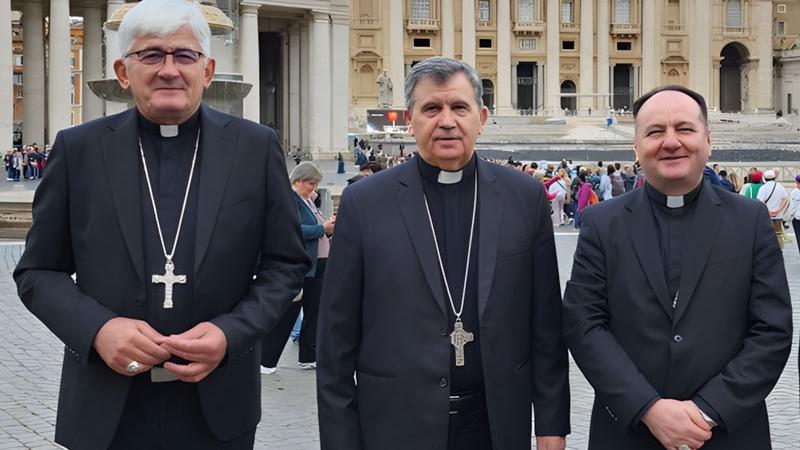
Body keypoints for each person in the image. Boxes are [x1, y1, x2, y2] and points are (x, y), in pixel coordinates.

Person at [13, 1, 310, 448]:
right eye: (151, 55)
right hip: (105, 407)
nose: (168, 69)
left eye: (184, 55)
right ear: (122, 70)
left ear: (208, 71)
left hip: (219, 406)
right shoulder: (79, 150)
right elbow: (37, 272)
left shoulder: (254, 148)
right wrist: (98, 330)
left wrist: (231, 334)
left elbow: (286, 264)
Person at [317, 56, 570, 450]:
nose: (447, 121)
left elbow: (546, 325)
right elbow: (335, 339)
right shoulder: (365, 203)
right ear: (410, 119)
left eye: (460, 107)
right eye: (432, 108)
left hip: (495, 425)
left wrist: (552, 426)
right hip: (395, 426)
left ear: (481, 117)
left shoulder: (524, 197)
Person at [562, 85, 792, 450]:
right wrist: (648, 408)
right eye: (655, 132)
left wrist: (707, 411)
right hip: (630, 431)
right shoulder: (601, 223)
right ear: (636, 148)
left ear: (708, 140)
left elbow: (772, 331)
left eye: (684, 129)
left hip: (729, 432)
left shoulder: (750, 221)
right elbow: (584, 325)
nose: (671, 142)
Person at [261, 162, 335, 373]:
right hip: (302, 266)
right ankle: (267, 359)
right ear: (298, 180)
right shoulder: (290, 200)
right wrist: (322, 228)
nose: (313, 188)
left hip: (318, 265)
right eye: (311, 183)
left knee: (314, 312)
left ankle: (308, 356)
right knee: (288, 313)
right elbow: (293, 230)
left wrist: (327, 228)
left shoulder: (307, 201)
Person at [756, 169, 789, 249]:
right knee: (778, 234)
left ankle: (768, 250)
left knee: (766, 234)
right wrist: (779, 210)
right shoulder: (780, 186)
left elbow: (759, 201)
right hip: (778, 216)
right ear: (774, 177)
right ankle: (779, 250)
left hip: (766, 216)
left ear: (765, 178)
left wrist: (768, 211)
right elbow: (785, 199)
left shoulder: (763, 188)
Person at [788, 175, 800, 254]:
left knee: (799, 237)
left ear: (796, 182)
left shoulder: (793, 192)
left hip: (797, 218)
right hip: (796, 218)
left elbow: (791, 207)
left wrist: (790, 217)